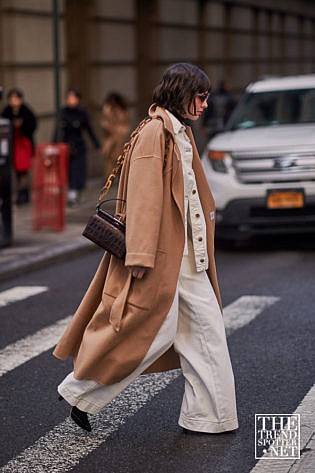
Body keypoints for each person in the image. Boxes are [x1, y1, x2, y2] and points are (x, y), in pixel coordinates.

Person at [53, 63, 238, 435]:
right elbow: (144, 199)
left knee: (205, 335)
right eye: (199, 97)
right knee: (149, 334)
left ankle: (209, 418)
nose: (204, 105)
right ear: (180, 94)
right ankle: (79, 392)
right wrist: (138, 255)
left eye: (204, 98)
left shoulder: (179, 131)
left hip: (189, 257)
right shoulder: (157, 133)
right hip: (165, 258)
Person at [57, 88, 100, 206]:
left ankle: (75, 193)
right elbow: (58, 130)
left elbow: (88, 128)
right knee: (69, 170)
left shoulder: (82, 112)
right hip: (66, 145)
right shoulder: (63, 112)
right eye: (69, 98)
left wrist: (96, 143)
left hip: (79, 145)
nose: (71, 100)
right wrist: (55, 144)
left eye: (74, 98)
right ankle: (71, 193)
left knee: (78, 170)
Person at [1, 88, 37, 204]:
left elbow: (33, 125)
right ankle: (22, 191)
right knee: (16, 169)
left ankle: (23, 192)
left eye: (16, 98)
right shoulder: (6, 112)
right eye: (11, 99)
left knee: (23, 169)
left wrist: (22, 125)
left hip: (24, 144)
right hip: (12, 144)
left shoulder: (26, 111)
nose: (14, 101)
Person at [100, 92, 131, 177]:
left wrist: (122, 131)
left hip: (121, 138)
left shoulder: (123, 109)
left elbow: (127, 123)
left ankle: (121, 176)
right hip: (110, 137)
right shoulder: (107, 109)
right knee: (109, 158)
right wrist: (109, 127)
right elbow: (104, 122)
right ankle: (109, 176)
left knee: (121, 157)